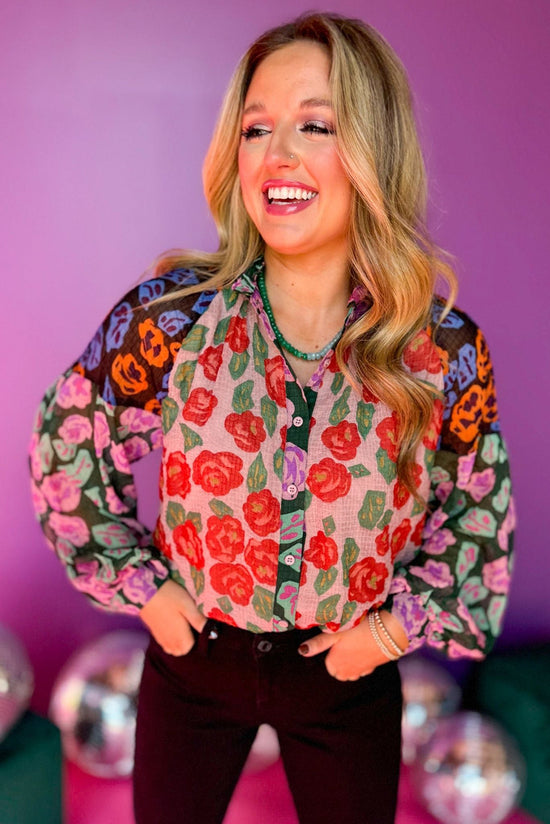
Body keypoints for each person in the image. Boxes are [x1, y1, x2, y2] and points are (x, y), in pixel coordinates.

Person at [29, 12, 515, 824]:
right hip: (195, 662)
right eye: (257, 128)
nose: (278, 154)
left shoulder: (439, 352)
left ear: (372, 151)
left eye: (315, 124)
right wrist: (147, 592)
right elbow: (69, 443)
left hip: (347, 676)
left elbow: (478, 512)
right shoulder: (174, 319)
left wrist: (390, 636)